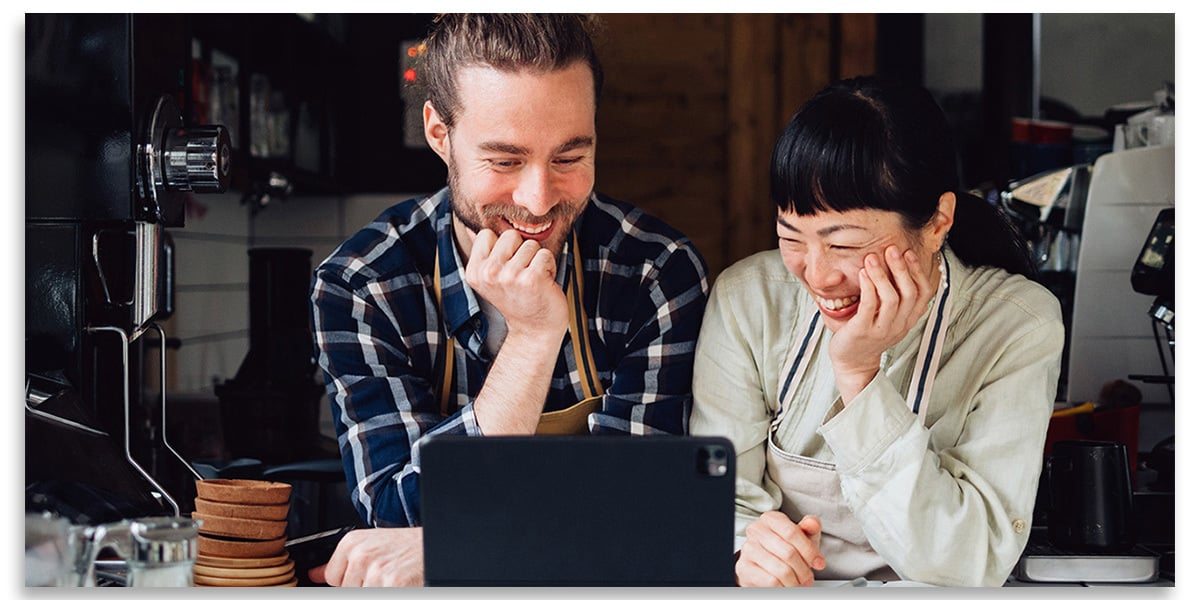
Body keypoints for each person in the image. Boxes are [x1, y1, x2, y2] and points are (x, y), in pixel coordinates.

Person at [308, 14, 709, 586]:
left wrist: (456, 542)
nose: (539, 200)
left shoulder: (655, 273)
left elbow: (640, 508)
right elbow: (398, 511)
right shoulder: (364, 285)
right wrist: (533, 338)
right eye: (505, 160)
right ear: (439, 133)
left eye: (570, 158)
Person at [689, 76, 1064, 587]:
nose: (817, 275)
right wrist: (745, 553)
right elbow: (719, 500)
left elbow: (972, 562)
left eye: (842, 245)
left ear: (936, 222)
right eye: (790, 236)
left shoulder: (1016, 325)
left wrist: (858, 375)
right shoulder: (748, 301)